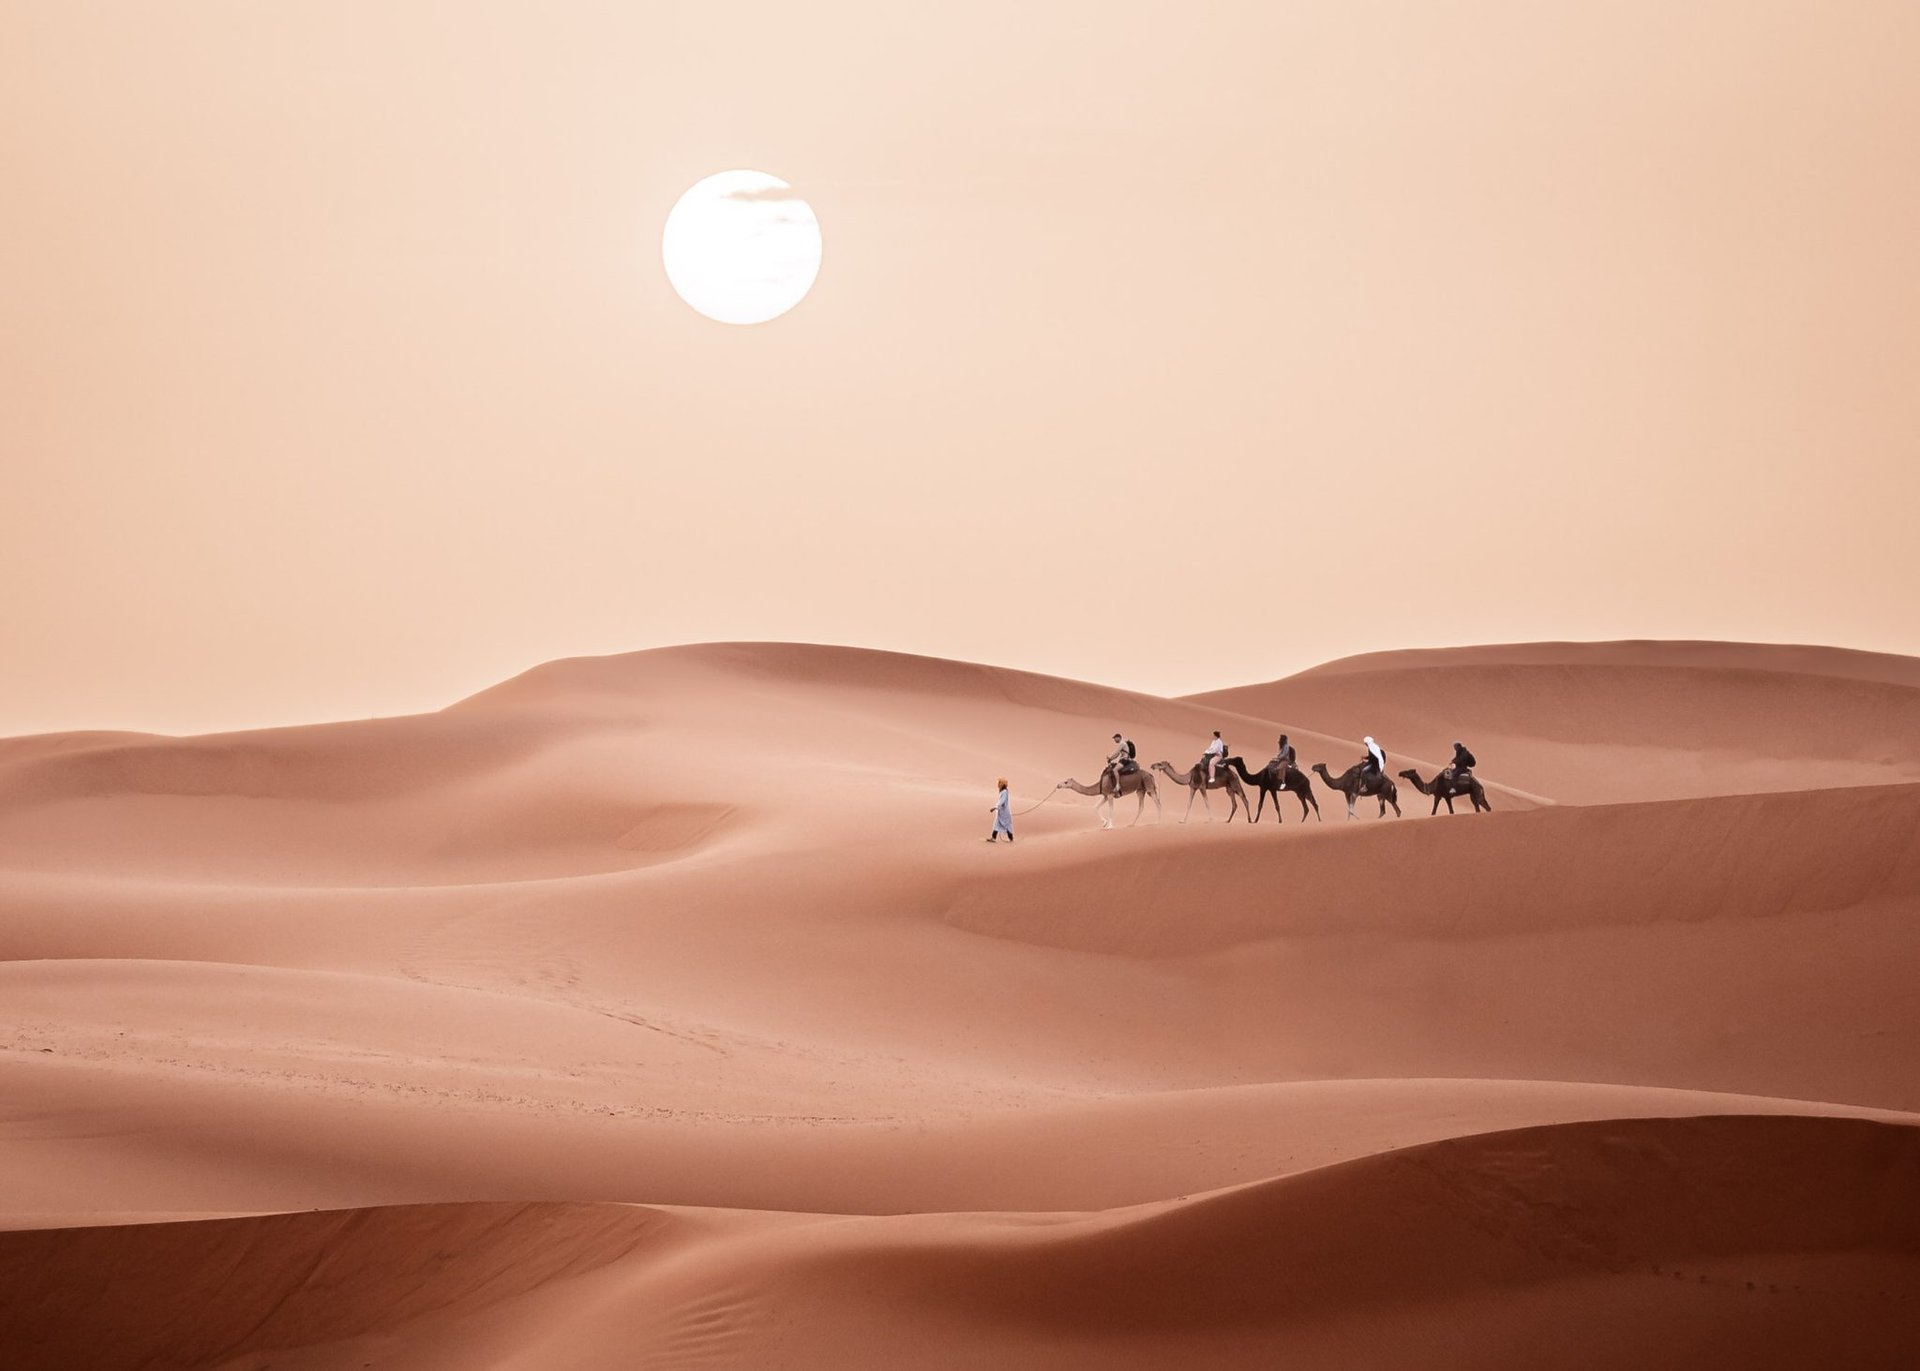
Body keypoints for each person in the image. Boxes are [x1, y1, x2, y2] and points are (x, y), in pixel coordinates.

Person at [987, 777, 1014, 843]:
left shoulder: (1004, 792)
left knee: (1007, 825)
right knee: (996, 824)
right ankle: (993, 838)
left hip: (1004, 813)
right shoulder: (1003, 791)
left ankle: (1011, 839)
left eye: (999, 783)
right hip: (1001, 812)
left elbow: (1002, 801)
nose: (998, 784)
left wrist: (995, 807)